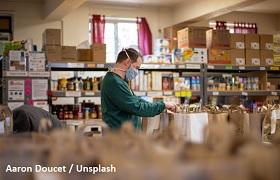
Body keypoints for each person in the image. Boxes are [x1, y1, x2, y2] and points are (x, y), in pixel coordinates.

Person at [101, 48, 176, 130]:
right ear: (127, 62)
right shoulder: (114, 82)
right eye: (136, 67)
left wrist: (162, 104)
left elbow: (136, 100)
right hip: (120, 137)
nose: (136, 72)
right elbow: (136, 107)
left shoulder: (120, 81)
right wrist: (162, 105)